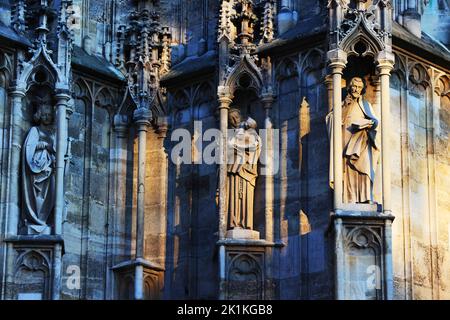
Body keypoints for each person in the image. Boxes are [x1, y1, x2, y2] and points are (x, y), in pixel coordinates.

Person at [326, 77, 379, 203]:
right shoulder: (342, 105)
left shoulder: (365, 105)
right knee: (347, 169)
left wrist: (370, 124)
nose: (356, 89)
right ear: (350, 87)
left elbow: (376, 121)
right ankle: (348, 199)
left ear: (362, 90)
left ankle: (365, 197)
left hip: (361, 140)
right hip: (345, 140)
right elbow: (332, 119)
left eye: (359, 87)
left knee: (364, 167)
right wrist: (345, 105)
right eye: (354, 86)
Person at [22, 103, 56, 233]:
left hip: (49, 168)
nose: (47, 117)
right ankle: (35, 219)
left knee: (51, 194)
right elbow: (29, 147)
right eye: (44, 115)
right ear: (39, 116)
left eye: (49, 115)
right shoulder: (34, 130)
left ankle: (44, 220)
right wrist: (42, 145)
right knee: (37, 195)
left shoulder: (52, 133)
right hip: (37, 166)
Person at [226, 108, 261, 230]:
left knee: (244, 196)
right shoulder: (231, 134)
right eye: (231, 119)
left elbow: (253, 145)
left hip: (246, 170)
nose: (235, 120)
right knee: (234, 197)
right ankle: (234, 223)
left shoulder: (251, 133)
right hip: (233, 170)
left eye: (236, 117)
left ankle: (245, 223)